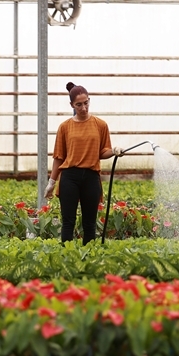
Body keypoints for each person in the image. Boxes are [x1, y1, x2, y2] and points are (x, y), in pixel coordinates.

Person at [46, 82, 123, 244]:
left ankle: (89, 260)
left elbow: (102, 152)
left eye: (86, 103)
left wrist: (114, 151)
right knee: (68, 222)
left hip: (91, 177)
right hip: (69, 177)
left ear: (89, 100)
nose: (83, 108)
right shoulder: (65, 127)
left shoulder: (100, 125)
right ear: (72, 105)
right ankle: (67, 258)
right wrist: (51, 182)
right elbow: (59, 157)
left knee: (89, 223)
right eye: (78, 104)